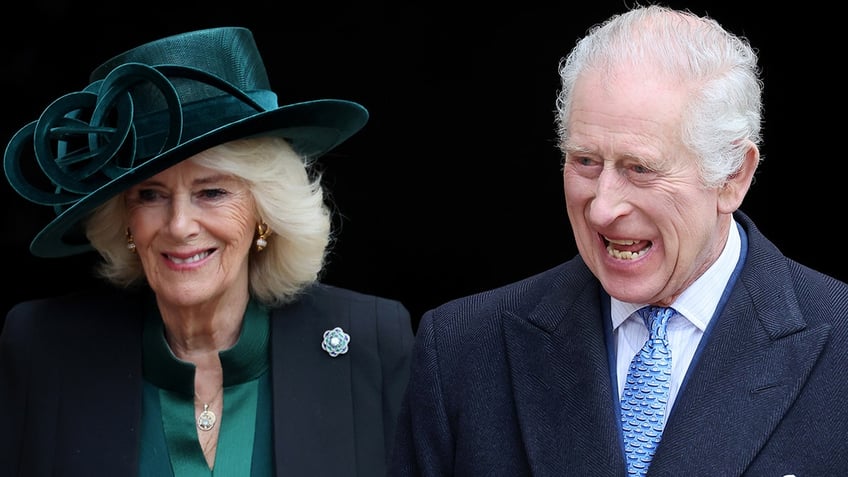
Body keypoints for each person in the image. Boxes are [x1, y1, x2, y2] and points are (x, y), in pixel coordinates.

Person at [388, 4, 848, 477]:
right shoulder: (464, 348)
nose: (603, 207)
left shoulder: (840, 341)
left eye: (640, 168)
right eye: (585, 161)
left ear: (733, 175)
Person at [0, 26, 414, 476]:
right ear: (125, 222)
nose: (179, 226)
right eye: (150, 195)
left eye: (212, 192)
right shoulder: (43, 349)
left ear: (264, 210)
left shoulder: (374, 343)